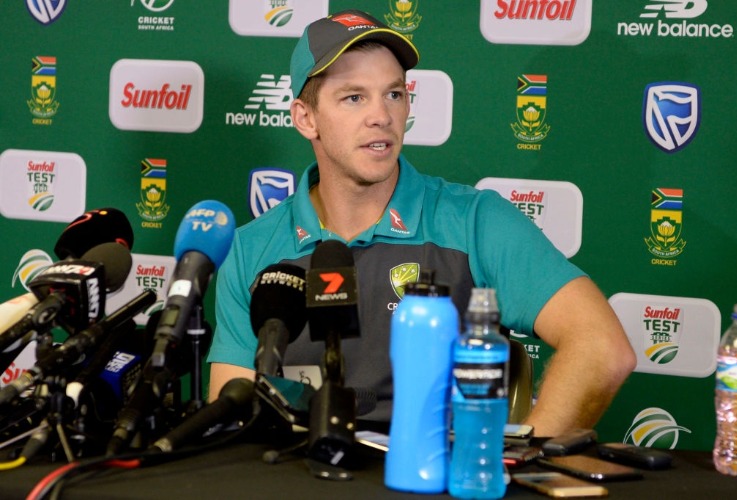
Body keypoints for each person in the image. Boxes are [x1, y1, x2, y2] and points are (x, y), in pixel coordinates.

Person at [206, 9, 636, 437]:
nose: (381, 115)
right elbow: (233, 411)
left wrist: (510, 464)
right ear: (305, 118)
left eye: (393, 94)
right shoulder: (252, 249)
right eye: (354, 97)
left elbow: (602, 347)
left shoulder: (475, 221)